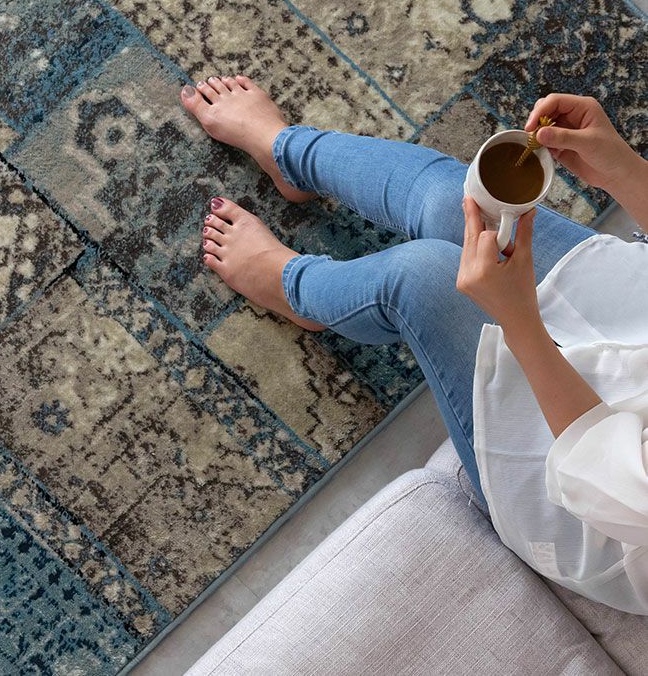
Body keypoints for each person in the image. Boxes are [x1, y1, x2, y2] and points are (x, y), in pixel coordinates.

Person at [180, 77, 648, 615]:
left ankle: (293, 289)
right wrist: (622, 169)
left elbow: (606, 474)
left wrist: (518, 319)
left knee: (422, 277)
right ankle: (286, 153)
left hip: (589, 501)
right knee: (457, 200)